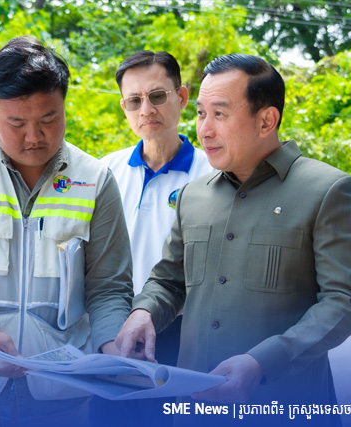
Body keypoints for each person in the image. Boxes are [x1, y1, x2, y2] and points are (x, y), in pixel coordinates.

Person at [115, 54, 351, 426]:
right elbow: (168, 281)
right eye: (201, 114)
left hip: (285, 408)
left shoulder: (328, 190)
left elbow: (344, 302)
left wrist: (261, 362)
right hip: (194, 408)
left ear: (266, 120)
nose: (204, 130)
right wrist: (143, 313)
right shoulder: (193, 196)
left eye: (220, 114)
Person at [0, 36, 133, 426]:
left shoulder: (95, 180)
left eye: (49, 119)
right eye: (17, 123)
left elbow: (109, 287)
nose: (34, 137)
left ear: (64, 106)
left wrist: (113, 348)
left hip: (62, 395)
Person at [92, 50, 213, 424]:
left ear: (182, 97)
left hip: (181, 333)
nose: (146, 109)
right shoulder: (105, 171)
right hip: (112, 330)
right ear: (124, 107)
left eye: (157, 96)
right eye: (134, 100)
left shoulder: (213, 174)